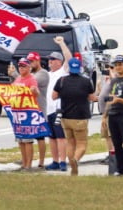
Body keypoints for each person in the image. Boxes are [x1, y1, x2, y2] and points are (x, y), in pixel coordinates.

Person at [53, 58, 96, 176]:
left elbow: (54, 96)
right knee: (82, 143)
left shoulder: (61, 81)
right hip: (80, 117)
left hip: (65, 117)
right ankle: (75, 160)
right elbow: (92, 98)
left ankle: (72, 167)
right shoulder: (86, 82)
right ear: (80, 68)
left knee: (70, 142)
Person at [45, 36, 73, 171]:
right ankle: (55, 161)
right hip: (48, 110)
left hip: (59, 110)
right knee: (51, 137)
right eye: (49, 59)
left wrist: (62, 43)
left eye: (52, 59)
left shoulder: (63, 72)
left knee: (61, 137)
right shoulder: (47, 74)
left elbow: (69, 58)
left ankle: (63, 161)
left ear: (59, 62)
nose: (50, 61)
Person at [12, 58, 39, 171]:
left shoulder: (31, 79)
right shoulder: (18, 79)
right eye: (20, 66)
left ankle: (28, 164)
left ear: (29, 67)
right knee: (20, 140)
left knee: (28, 140)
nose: (21, 68)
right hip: (18, 112)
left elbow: (36, 93)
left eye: (24, 66)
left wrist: (34, 90)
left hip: (27, 112)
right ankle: (23, 163)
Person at [26, 51, 50, 169]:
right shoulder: (29, 73)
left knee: (40, 137)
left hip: (39, 109)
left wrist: (17, 74)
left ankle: (41, 162)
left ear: (38, 60)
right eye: (28, 62)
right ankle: (27, 161)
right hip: (28, 109)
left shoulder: (43, 73)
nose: (30, 64)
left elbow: (31, 82)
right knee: (27, 137)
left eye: (32, 61)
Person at [98, 64, 115, 165]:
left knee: (111, 135)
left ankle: (114, 156)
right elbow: (102, 94)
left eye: (111, 68)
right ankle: (111, 154)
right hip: (104, 111)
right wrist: (99, 86)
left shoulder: (116, 80)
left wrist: (111, 74)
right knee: (107, 136)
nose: (109, 70)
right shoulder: (107, 81)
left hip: (110, 112)